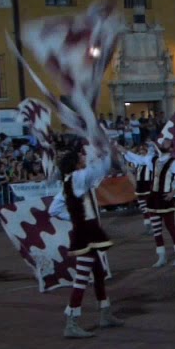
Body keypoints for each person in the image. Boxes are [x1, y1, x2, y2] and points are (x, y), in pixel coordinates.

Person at [49, 145, 124, 338]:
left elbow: (53, 210)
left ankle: (105, 313)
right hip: (85, 234)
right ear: (75, 163)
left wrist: (75, 218)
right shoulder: (77, 178)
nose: (83, 158)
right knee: (82, 277)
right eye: (80, 156)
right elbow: (98, 170)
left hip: (84, 231)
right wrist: (106, 153)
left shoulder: (69, 182)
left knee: (98, 272)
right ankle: (71, 321)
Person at [148, 148, 175, 267]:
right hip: (154, 198)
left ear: (171, 148)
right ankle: (161, 257)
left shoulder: (174, 162)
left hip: (165, 198)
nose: (164, 141)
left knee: (170, 227)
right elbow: (137, 158)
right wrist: (122, 150)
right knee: (156, 229)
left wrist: (173, 192)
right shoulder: (154, 159)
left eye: (167, 141)